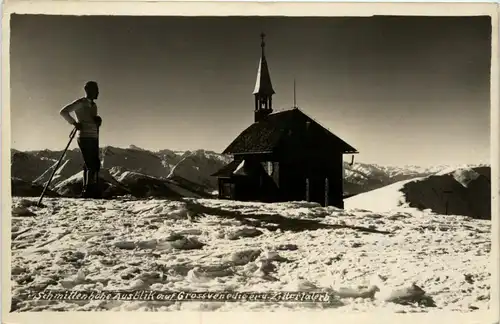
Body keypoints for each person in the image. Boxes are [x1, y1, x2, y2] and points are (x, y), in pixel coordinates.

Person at [60, 81, 102, 198]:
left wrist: (98, 122)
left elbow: (90, 119)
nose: (98, 92)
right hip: (84, 136)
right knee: (91, 163)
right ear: (89, 90)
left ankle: (88, 188)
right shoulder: (81, 103)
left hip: (93, 135)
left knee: (92, 163)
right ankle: (89, 190)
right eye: (96, 90)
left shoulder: (93, 105)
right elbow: (63, 112)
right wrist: (74, 123)